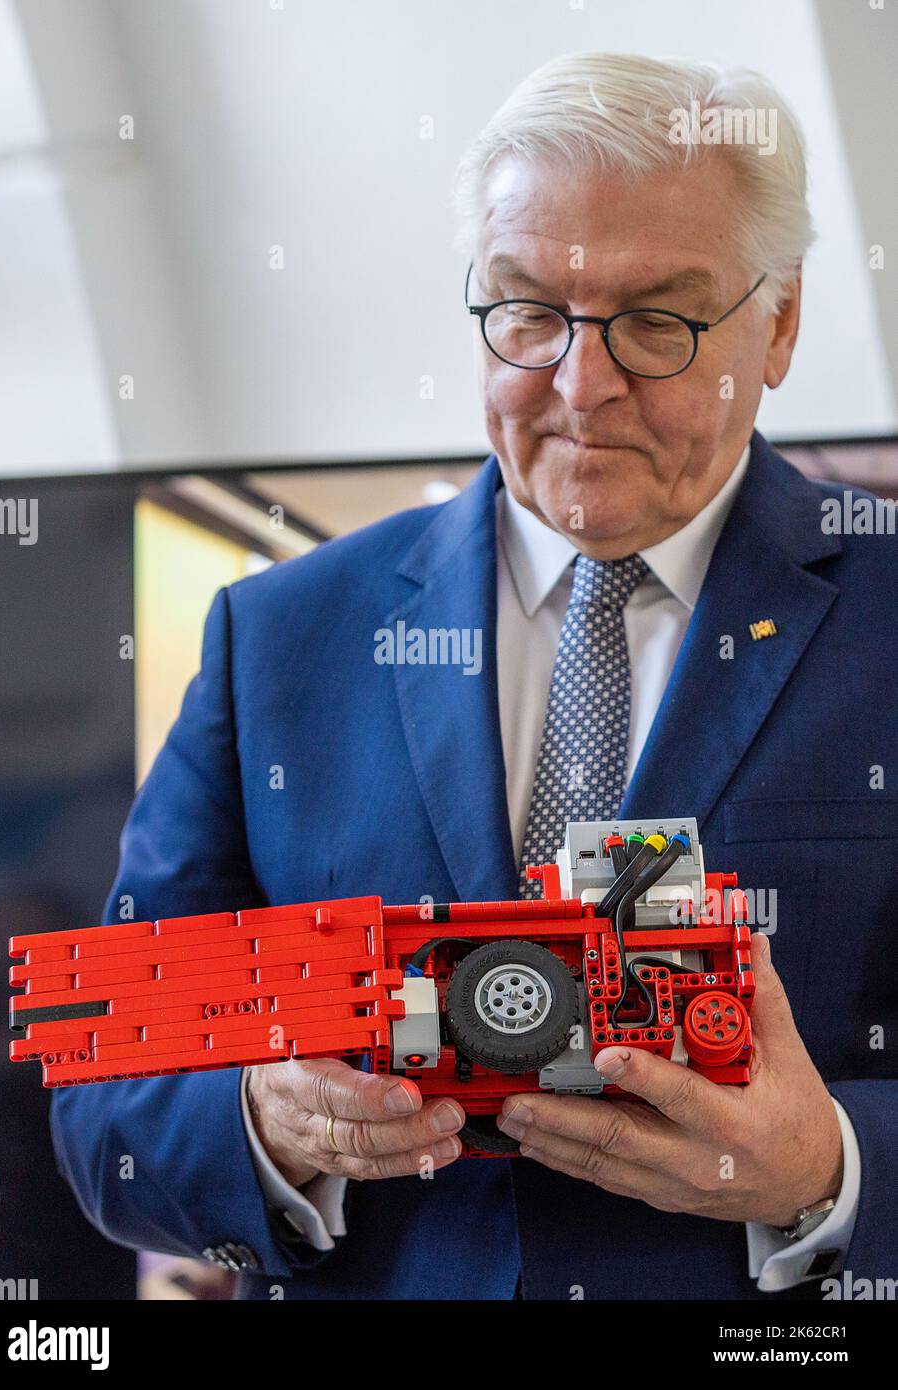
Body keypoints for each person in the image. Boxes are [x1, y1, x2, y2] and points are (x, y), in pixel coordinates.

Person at [51, 53, 897, 1300]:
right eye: (527, 312)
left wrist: (827, 1167)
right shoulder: (279, 637)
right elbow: (107, 1099)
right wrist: (265, 1123)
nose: (580, 383)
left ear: (777, 324)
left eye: (658, 320)